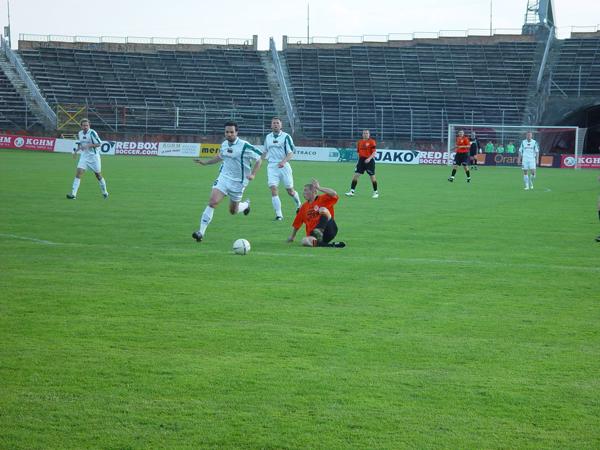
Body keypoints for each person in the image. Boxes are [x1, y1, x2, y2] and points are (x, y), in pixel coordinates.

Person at [191, 121, 263, 242]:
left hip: (239, 182)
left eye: (231, 132)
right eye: (227, 132)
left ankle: (246, 205)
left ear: (236, 132)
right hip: (224, 178)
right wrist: (205, 163)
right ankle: (201, 233)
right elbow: (220, 157)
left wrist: (253, 174)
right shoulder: (224, 144)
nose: (229, 134)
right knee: (212, 202)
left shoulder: (244, 145)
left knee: (233, 211)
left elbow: (259, 159)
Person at [262, 117, 302, 220]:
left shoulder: (286, 137)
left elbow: (291, 153)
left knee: (290, 191)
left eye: (277, 123)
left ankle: (298, 204)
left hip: (284, 166)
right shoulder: (268, 137)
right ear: (271, 125)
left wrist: (283, 162)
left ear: (281, 125)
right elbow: (265, 151)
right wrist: (260, 161)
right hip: (272, 166)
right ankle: (279, 215)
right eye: (274, 123)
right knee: (273, 189)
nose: (275, 124)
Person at [288, 179, 345, 248]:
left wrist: (319, 188)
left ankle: (319, 230)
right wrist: (292, 236)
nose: (303, 193)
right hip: (314, 235)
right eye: (303, 191)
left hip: (329, 229)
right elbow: (297, 223)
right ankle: (331, 245)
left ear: (314, 192)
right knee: (304, 241)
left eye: (306, 190)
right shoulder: (304, 207)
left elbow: (334, 194)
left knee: (323, 209)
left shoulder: (322, 199)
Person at [66, 118, 108, 199]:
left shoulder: (92, 133)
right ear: (81, 126)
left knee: (98, 175)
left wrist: (89, 145)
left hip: (94, 157)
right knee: (78, 173)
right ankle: (73, 194)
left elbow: (99, 143)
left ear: (89, 125)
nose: (85, 127)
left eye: (87, 125)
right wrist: (76, 151)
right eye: (84, 125)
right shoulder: (80, 133)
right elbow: (81, 144)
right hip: (84, 156)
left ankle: (105, 192)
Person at [345, 129, 379, 198]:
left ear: (369, 134)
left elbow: (374, 152)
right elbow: (359, 152)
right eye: (364, 133)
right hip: (361, 161)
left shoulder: (372, 141)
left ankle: (375, 192)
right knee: (356, 175)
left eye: (367, 133)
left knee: (372, 176)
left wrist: (369, 159)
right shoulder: (359, 142)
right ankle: (352, 191)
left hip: (369, 161)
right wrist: (358, 161)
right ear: (362, 134)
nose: (365, 134)